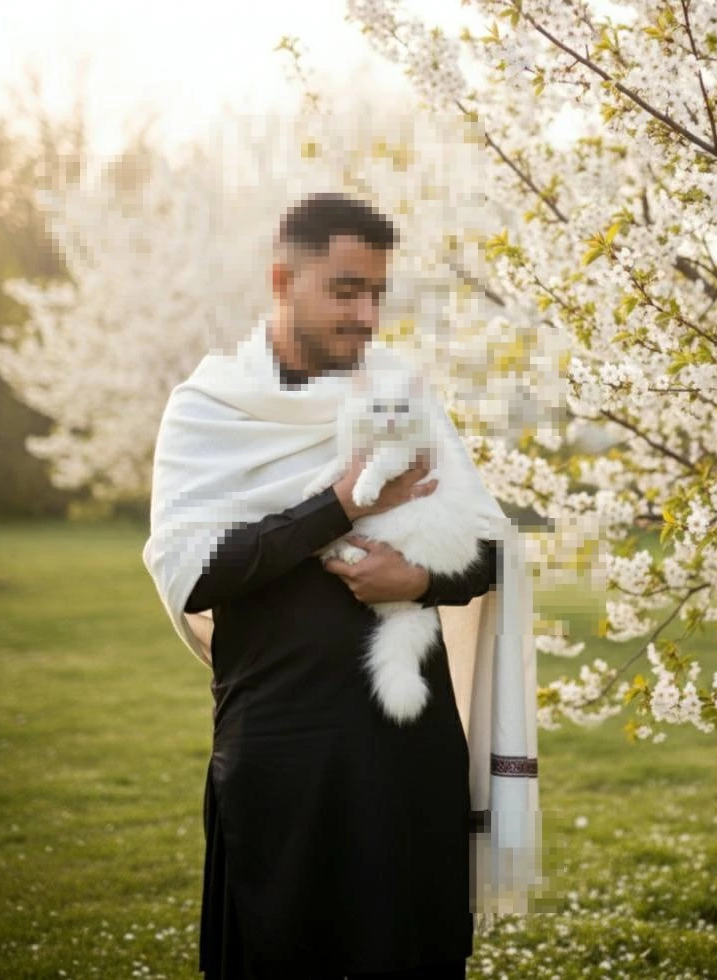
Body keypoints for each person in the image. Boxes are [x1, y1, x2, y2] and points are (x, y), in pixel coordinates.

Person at [164, 194, 498, 978]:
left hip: (408, 752)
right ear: (283, 279)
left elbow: (489, 551)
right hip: (283, 751)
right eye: (345, 290)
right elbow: (199, 570)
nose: (366, 313)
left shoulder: (404, 397)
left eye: (377, 292)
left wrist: (416, 577)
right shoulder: (210, 411)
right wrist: (340, 504)